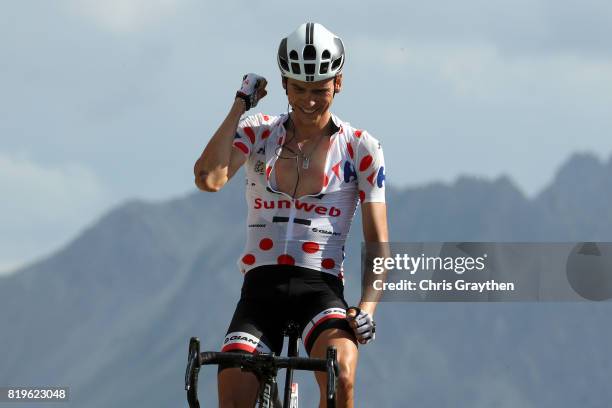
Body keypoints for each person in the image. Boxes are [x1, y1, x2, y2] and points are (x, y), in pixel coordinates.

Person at [194, 22, 388, 408]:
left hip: (321, 290)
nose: (309, 101)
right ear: (284, 84)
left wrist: (367, 307)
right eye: (299, 88)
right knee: (231, 386)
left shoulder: (360, 148)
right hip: (260, 291)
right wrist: (240, 103)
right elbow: (209, 178)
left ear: (338, 83)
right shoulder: (258, 132)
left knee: (342, 373)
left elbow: (378, 243)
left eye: (320, 90)